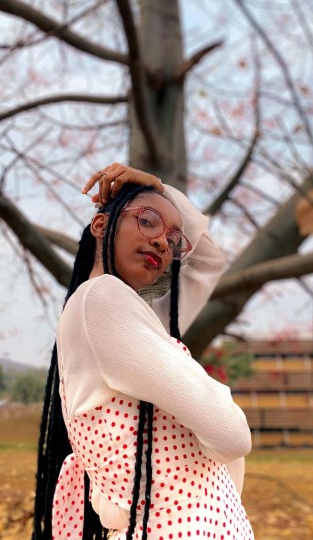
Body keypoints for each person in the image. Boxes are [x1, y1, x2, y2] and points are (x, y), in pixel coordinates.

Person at [33, 163, 254, 540]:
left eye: (172, 240)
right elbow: (232, 434)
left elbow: (207, 262)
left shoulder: (134, 317)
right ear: (101, 226)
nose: (162, 243)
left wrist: (159, 189)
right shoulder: (104, 301)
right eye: (148, 222)